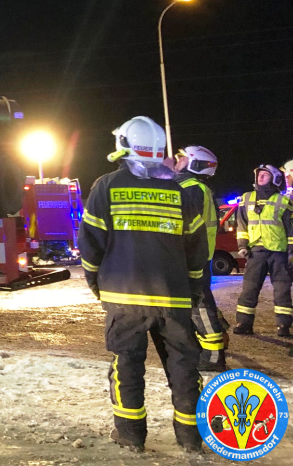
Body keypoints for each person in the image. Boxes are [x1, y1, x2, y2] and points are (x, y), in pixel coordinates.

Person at [79, 116, 207, 454]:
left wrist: (96, 283)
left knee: (127, 365)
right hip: (174, 298)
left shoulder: (106, 186)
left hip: (123, 297)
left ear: (123, 146)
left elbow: (91, 244)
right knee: (184, 367)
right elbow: (197, 251)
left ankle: (130, 435)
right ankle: (190, 437)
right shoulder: (180, 193)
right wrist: (193, 290)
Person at [174, 145, 229, 370]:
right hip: (194, 257)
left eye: (182, 159)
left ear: (195, 164)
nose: (177, 163)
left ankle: (214, 357)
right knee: (198, 303)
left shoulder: (192, 189)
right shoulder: (191, 187)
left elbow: (184, 227)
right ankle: (219, 331)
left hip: (192, 259)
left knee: (200, 306)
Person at [232, 165, 293, 338]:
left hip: (279, 253)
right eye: (259, 174)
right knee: (249, 289)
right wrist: (242, 246)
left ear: (274, 179)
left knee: (282, 290)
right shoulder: (246, 198)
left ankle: (283, 325)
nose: (260, 177)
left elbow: (291, 229)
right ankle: (243, 324)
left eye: (265, 175)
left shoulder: (283, 201)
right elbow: (241, 225)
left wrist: (291, 251)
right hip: (255, 252)